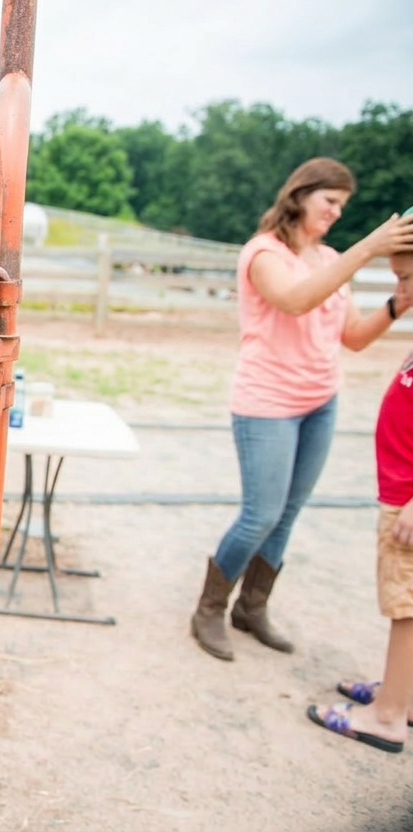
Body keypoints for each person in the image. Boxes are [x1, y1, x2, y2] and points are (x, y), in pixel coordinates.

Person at [191, 160, 413, 661]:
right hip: (267, 403)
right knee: (260, 514)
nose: (336, 212)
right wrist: (369, 249)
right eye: (330, 201)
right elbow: (293, 302)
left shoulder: (329, 257)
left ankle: (251, 608)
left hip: (320, 402)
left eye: (342, 206)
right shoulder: (263, 253)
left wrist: (399, 304)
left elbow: (353, 337)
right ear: (301, 194)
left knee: (287, 516)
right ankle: (208, 609)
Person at [308, 225, 413, 752]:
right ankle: (404, 692)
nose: (404, 290)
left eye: (408, 278)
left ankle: (389, 715)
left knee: (406, 605)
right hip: (400, 486)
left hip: (408, 497)